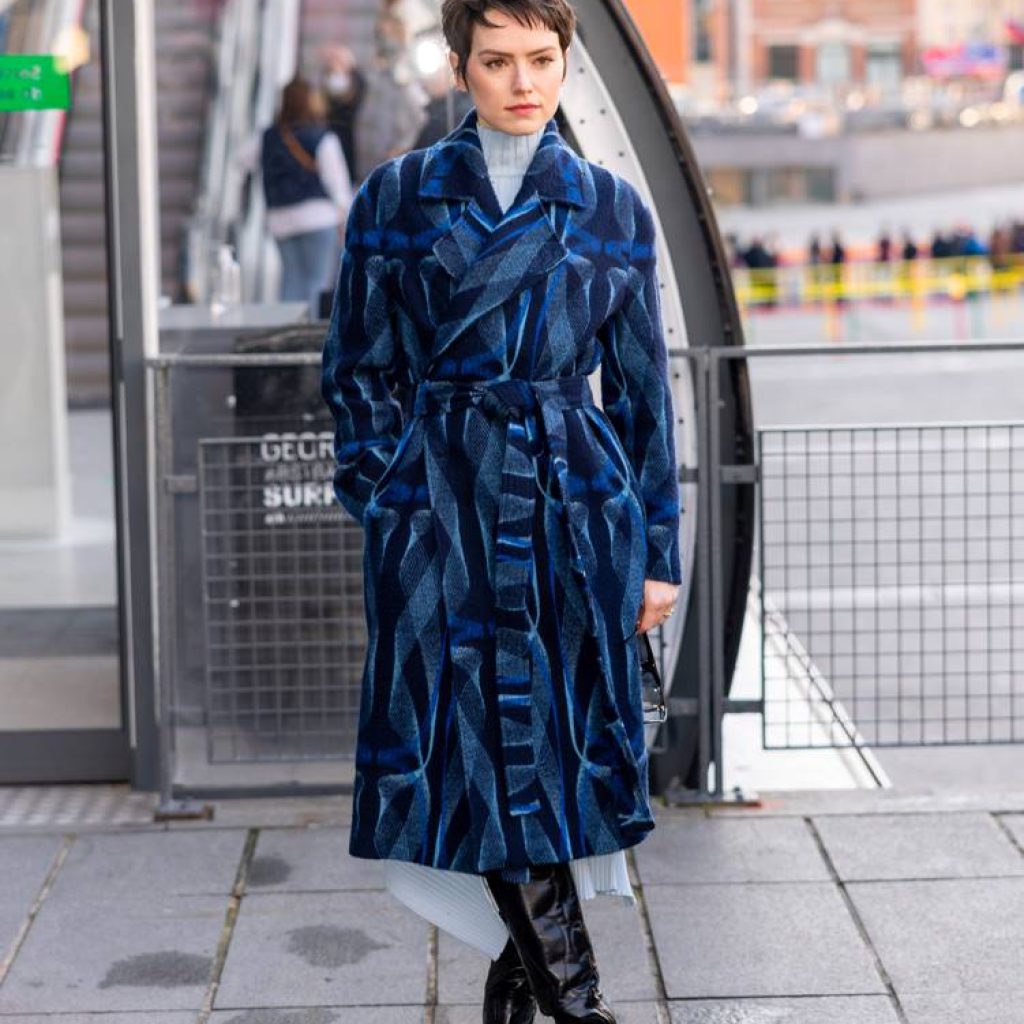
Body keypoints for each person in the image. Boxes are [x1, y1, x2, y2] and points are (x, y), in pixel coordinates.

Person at [319, 1, 682, 1020]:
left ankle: (527, 999)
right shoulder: (396, 198)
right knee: (473, 747)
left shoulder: (610, 207)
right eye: (496, 60)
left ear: (565, 61)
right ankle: (578, 1001)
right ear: (458, 65)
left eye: (540, 58)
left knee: (544, 748)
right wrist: (390, 495)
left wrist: (656, 550)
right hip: (441, 514)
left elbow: (649, 402)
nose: (522, 81)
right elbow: (355, 371)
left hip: (573, 514)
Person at [243, 76, 353, 316]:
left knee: (290, 283)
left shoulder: (267, 137)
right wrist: (345, 215)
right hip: (317, 218)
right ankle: (309, 341)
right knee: (317, 281)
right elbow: (338, 184)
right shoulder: (322, 137)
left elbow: (240, 160)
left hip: (280, 219)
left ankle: (287, 336)